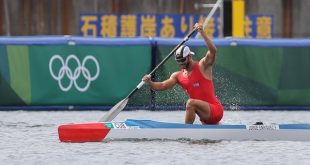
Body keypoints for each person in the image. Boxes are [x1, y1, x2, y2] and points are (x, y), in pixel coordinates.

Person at [142, 23, 223, 125]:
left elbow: (213, 51)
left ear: (189, 56)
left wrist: (202, 32)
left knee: (190, 103)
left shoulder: (203, 65)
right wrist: (150, 82)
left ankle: (186, 130)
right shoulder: (178, 76)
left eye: (183, 60)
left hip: (215, 110)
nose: (181, 64)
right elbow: (162, 86)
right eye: (179, 61)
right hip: (204, 117)